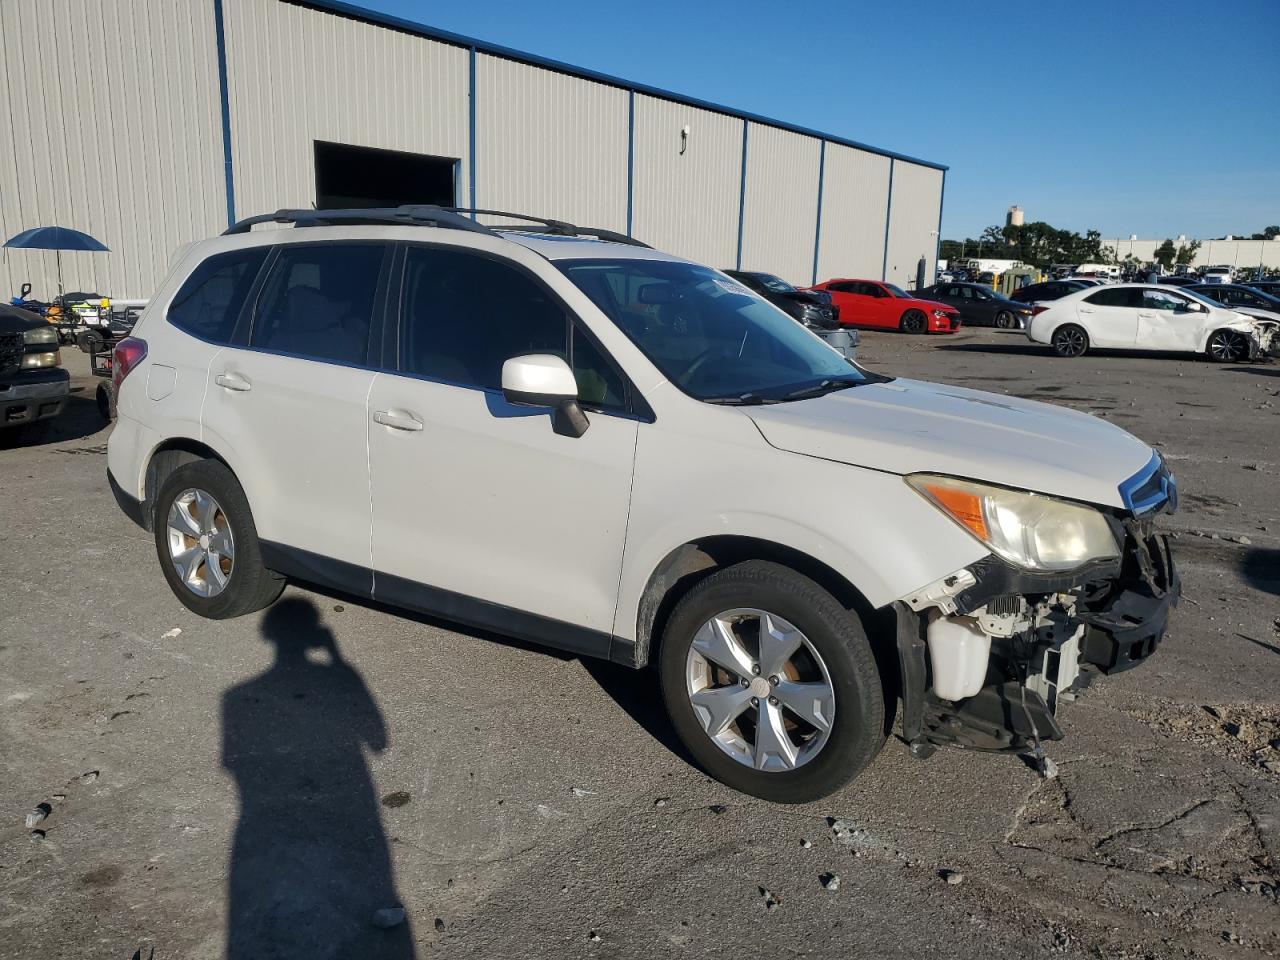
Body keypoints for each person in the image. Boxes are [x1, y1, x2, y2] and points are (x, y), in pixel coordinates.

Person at [222, 598, 415, 959]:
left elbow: (234, 766)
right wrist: (338, 661)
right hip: (348, 811)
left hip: (260, 827)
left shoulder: (234, 698)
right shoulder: (337, 677)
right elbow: (378, 741)